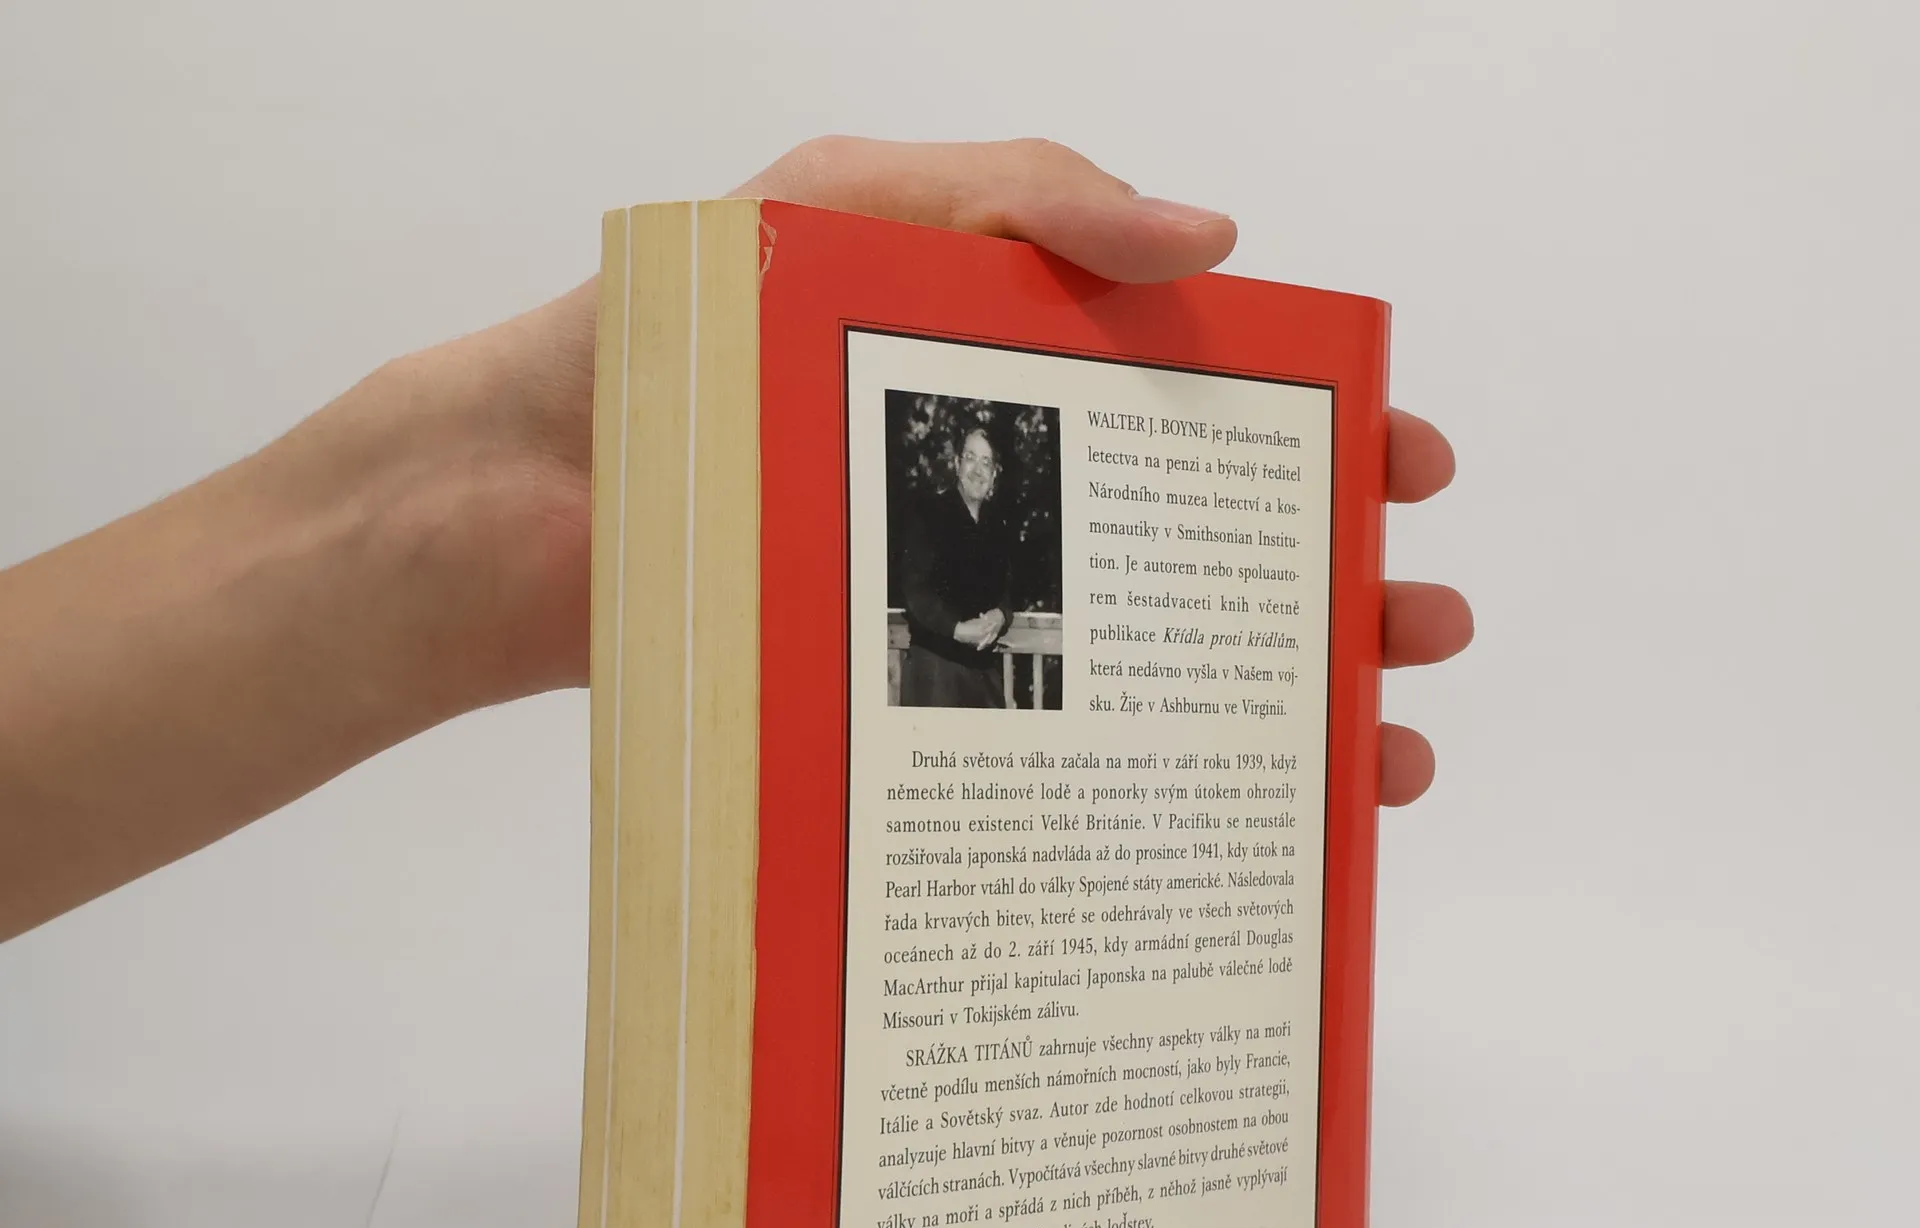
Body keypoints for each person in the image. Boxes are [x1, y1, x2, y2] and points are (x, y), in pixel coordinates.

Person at [0, 137, 1472, 944]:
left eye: (984, 452)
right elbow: (924, 610)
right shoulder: (942, 517)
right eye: (966, 448)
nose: (976, 460)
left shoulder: (1011, 518)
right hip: (939, 677)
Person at [899, 424, 1017, 708]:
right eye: (970, 458)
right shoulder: (930, 514)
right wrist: (957, 630)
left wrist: (1001, 616)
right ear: (956, 464)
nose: (978, 470)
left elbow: (1009, 590)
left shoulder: (997, 526)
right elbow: (914, 591)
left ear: (994, 474)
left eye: (986, 462)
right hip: (936, 671)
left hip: (984, 673)